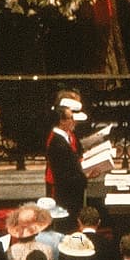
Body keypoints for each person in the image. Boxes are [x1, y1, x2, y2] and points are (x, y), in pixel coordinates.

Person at [44, 91, 105, 220]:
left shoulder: (67, 135)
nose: (74, 122)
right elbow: (65, 170)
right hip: (63, 187)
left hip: (74, 181)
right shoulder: (56, 141)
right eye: (71, 118)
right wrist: (85, 175)